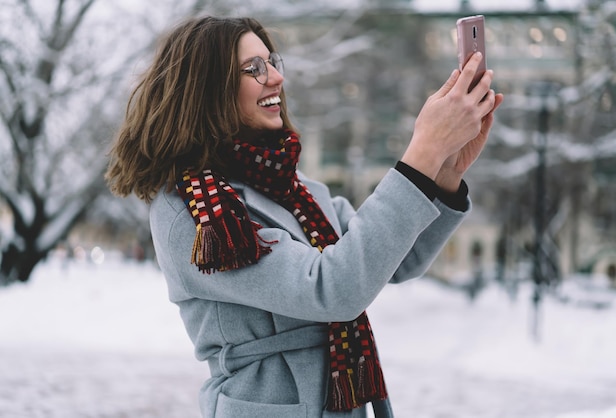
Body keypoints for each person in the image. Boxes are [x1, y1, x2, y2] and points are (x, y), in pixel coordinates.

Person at [106, 15, 503, 418]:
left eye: (272, 62)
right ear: (208, 88)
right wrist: (421, 156)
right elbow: (333, 288)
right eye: (253, 69)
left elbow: (394, 259)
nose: (276, 78)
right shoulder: (198, 214)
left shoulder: (294, 189)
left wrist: (446, 172)